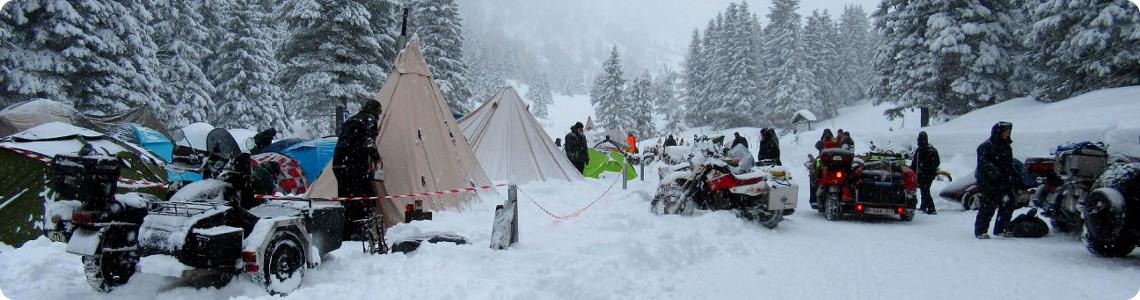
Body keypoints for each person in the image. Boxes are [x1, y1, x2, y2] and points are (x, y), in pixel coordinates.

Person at [333, 100, 382, 239]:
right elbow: (368, 141)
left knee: (347, 199)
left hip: (339, 164)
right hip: (354, 165)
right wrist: (376, 157)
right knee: (364, 198)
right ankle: (360, 230)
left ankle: (345, 231)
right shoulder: (369, 119)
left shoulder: (352, 120)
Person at [974, 121, 1021, 239]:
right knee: (988, 207)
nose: (1007, 134)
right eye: (1006, 132)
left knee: (1008, 205)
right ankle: (981, 230)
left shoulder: (1006, 146)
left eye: (1009, 132)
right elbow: (984, 164)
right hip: (988, 184)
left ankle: (1002, 228)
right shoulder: (985, 147)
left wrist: (1013, 175)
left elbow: (1009, 164)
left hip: (1005, 183)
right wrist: (996, 175)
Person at [911, 131, 941, 215]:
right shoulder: (933, 149)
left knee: (925, 190)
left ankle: (931, 208)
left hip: (923, 174)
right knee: (924, 189)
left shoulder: (920, 150)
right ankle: (924, 205)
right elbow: (937, 162)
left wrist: (914, 170)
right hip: (930, 174)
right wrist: (932, 169)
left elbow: (915, 163)